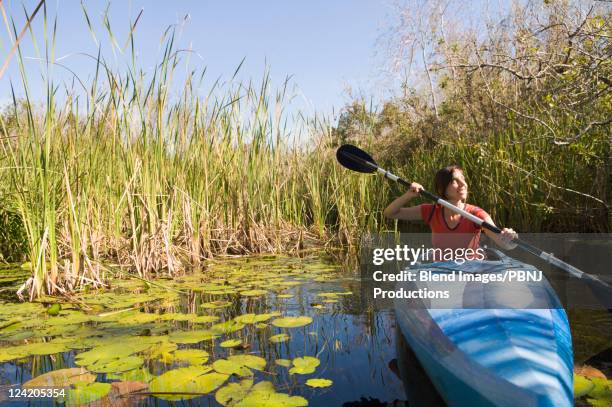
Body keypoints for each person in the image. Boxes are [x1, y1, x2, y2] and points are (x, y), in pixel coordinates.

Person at [383, 165, 518, 253]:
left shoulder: (476, 214)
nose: (463, 184)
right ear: (442, 188)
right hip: (442, 272)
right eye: (455, 181)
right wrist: (409, 195)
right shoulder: (430, 211)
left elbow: (504, 244)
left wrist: (510, 237)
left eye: (463, 179)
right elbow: (390, 213)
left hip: (470, 273)